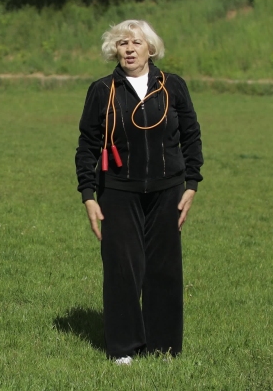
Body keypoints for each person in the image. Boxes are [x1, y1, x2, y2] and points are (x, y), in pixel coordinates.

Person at [74, 19, 203, 365]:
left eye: (136, 43)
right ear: (114, 51)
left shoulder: (172, 86)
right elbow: (86, 145)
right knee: (122, 268)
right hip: (117, 191)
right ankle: (124, 347)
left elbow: (191, 135)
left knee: (164, 269)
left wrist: (192, 184)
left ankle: (164, 346)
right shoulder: (102, 90)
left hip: (168, 190)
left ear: (151, 48)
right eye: (122, 44)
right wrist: (88, 194)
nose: (129, 49)